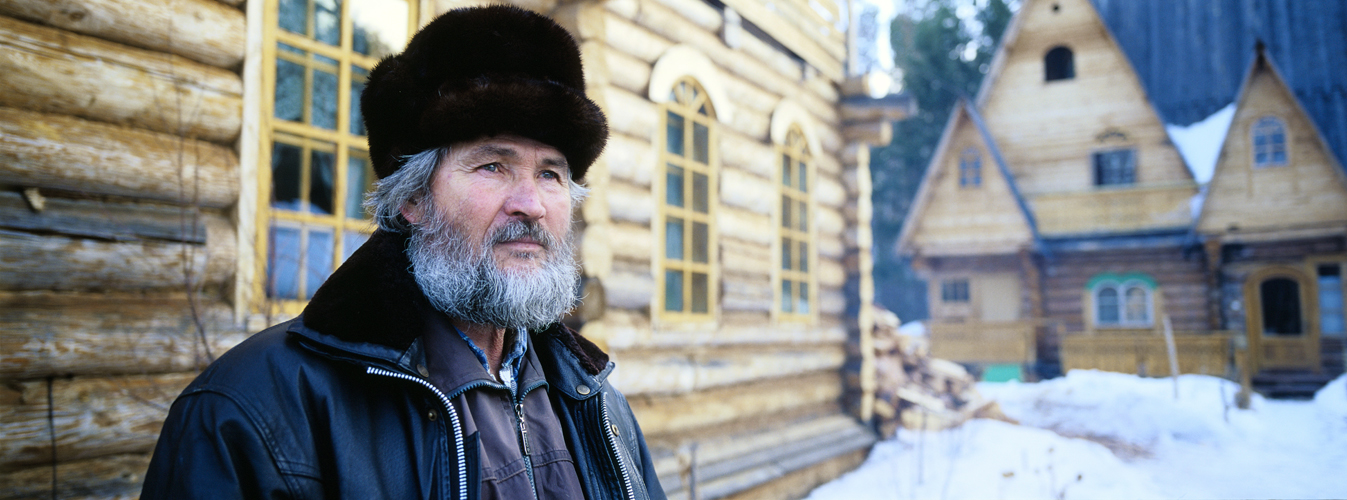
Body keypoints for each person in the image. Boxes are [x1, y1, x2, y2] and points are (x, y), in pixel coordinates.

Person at [142, 6, 665, 499]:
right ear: (413, 197)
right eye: (492, 166)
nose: (530, 204)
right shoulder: (252, 409)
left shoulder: (595, 399)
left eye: (550, 174)